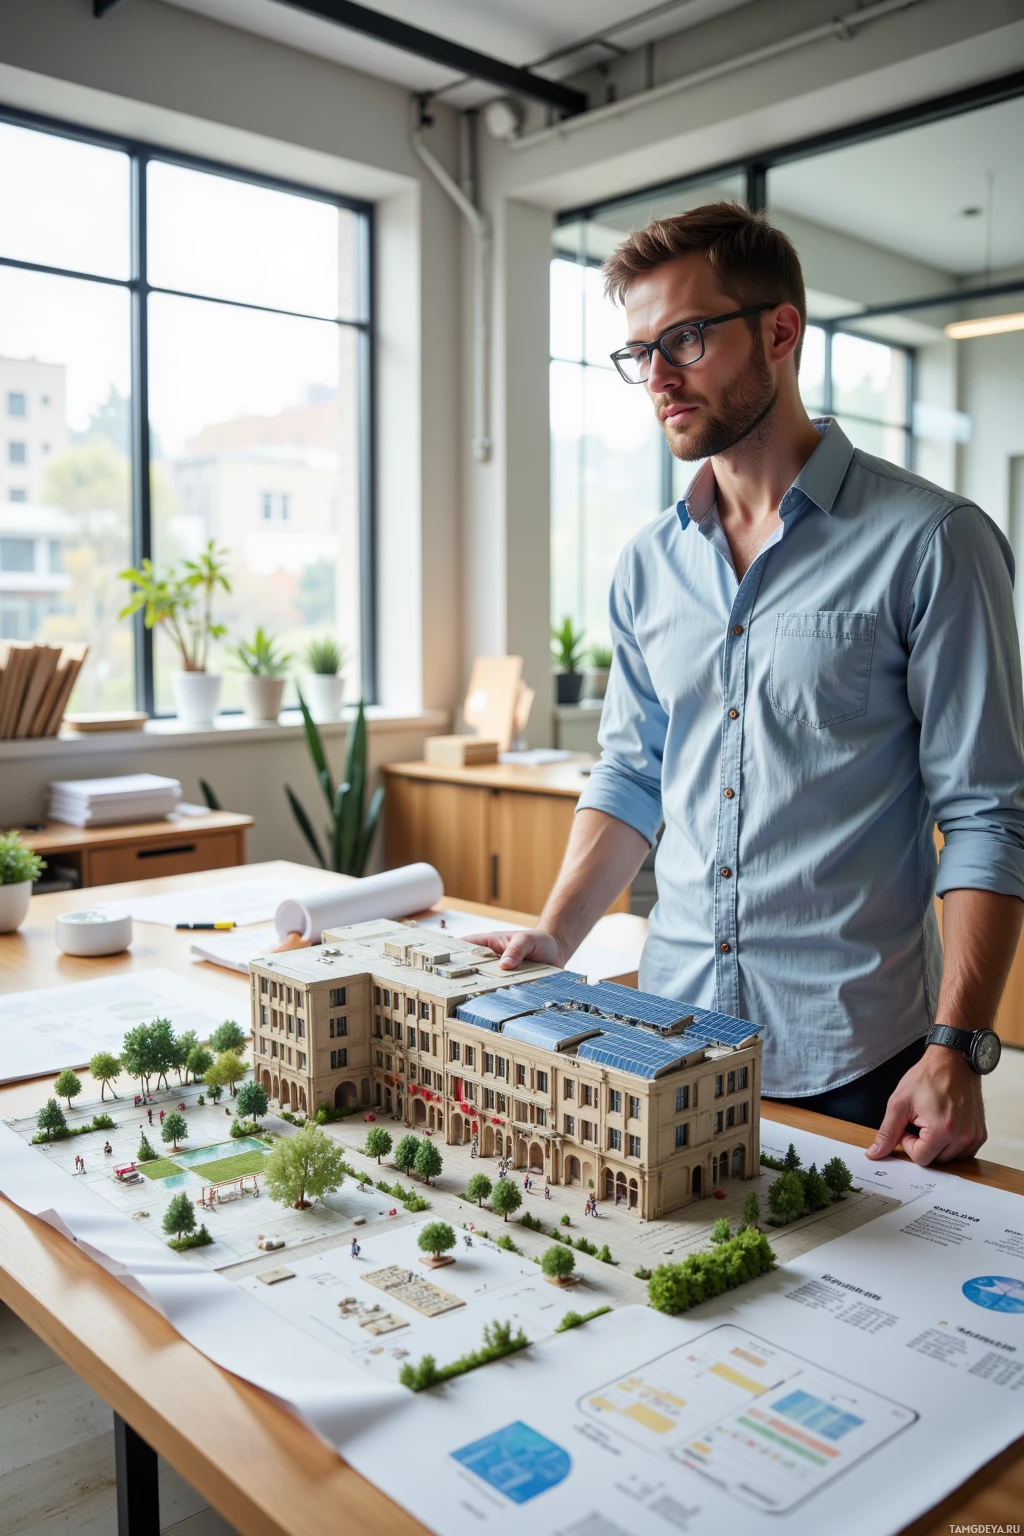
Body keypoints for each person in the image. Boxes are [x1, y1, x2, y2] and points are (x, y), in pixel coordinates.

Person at [471, 203, 1024, 1168]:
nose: (659, 378)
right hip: (668, 1028)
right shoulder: (648, 563)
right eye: (639, 351)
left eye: (685, 337)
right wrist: (555, 933)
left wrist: (959, 1045)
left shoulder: (934, 541)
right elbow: (633, 774)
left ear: (779, 331)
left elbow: (987, 814)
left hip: (859, 1057)